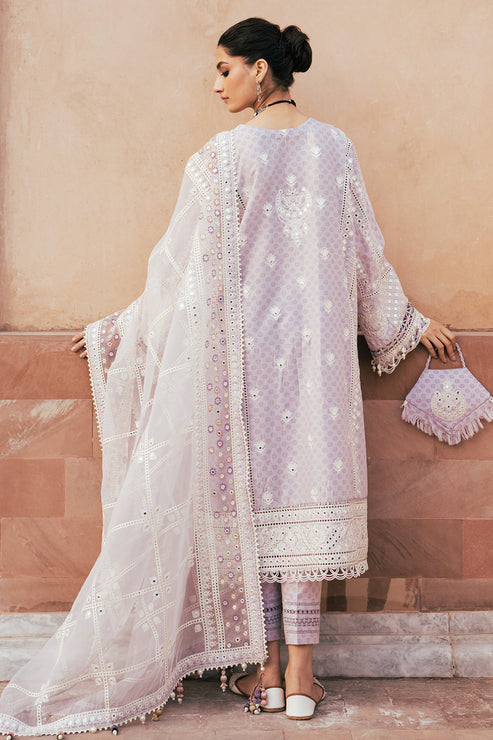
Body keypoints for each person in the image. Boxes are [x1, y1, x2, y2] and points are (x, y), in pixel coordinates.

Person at [0, 17, 456, 735]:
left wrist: (122, 328)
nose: (216, 85)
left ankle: (269, 675)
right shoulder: (334, 148)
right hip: (317, 365)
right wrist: (406, 321)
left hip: (244, 368)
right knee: (303, 506)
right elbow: (365, 253)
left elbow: (180, 271)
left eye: (224, 69)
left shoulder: (219, 159)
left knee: (258, 514)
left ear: (260, 70)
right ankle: (298, 678)